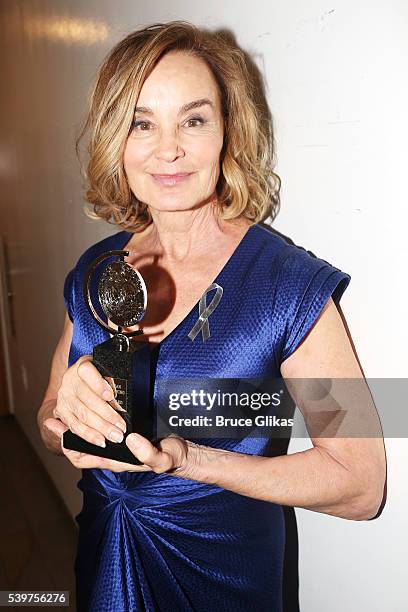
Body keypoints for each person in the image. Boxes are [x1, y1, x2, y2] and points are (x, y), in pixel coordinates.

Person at [37, 20, 387, 612]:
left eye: (193, 120)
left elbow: (360, 485)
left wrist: (193, 460)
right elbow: (50, 416)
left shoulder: (285, 285)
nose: (167, 148)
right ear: (114, 138)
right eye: (142, 123)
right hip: (104, 557)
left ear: (227, 133)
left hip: (225, 576)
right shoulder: (99, 271)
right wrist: (65, 418)